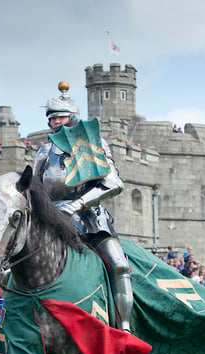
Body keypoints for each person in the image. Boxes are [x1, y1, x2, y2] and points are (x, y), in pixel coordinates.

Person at [32, 81, 132, 332]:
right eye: (52, 119)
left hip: (91, 220)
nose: (57, 122)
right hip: (53, 222)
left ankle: (125, 327)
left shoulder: (92, 145)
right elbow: (34, 189)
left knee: (119, 265)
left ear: (73, 117)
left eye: (62, 117)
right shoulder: (44, 153)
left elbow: (113, 183)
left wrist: (75, 205)